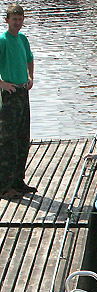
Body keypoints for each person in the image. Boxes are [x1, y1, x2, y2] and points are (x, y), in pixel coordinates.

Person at [0, 4, 35, 200]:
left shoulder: (22, 39)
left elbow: (30, 59)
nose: (18, 22)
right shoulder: (3, 41)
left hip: (23, 91)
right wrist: (1, 83)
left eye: (20, 18)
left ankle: (18, 182)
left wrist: (31, 77)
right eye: (14, 19)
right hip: (10, 94)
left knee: (23, 138)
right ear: (7, 20)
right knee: (8, 141)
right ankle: (4, 186)